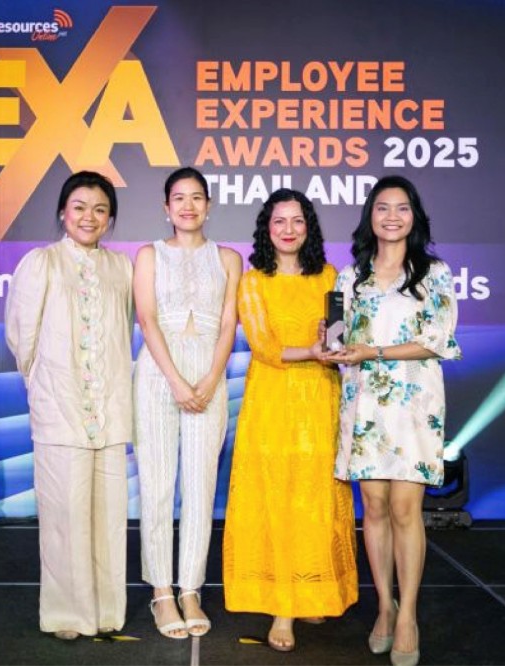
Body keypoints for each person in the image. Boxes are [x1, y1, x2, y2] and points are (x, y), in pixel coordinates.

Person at [329, 175, 460, 666]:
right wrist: (332, 343)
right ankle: (385, 606)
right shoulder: (351, 277)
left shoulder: (435, 273)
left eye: (401, 208)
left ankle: (409, 616)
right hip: (364, 404)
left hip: (413, 404)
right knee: (375, 507)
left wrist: (374, 352)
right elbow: (341, 339)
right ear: (370, 216)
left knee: (407, 509)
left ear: (414, 216)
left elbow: (438, 340)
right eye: (382, 207)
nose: (391, 216)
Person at [223, 189, 358, 652]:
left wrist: (332, 341)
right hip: (273, 402)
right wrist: (312, 351)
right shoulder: (253, 281)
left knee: (315, 497)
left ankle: (311, 590)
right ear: (267, 228)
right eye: (279, 221)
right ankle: (283, 608)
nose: (288, 229)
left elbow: (338, 336)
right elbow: (264, 346)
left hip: (321, 399)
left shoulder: (329, 275)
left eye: (297, 221)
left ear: (309, 227)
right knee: (279, 497)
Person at [4, 171, 133, 640]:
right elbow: (22, 337)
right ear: (63, 213)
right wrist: (45, 386)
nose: (89, 217)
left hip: (111, 409)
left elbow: (124, 330)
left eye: (100, 209)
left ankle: (106, 611)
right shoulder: (41, 263)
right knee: (65, 516)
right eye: (79, 207)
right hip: (59, 408)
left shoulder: (121, 268)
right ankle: (66, 615)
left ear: (110, 218)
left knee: (107, 516)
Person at [133, 167, 242, 639]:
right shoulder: (148, 255)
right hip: (159, 373)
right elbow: (146, 318)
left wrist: (211, 378)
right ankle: (162, 592)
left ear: (209, 205)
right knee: (157, 485)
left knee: (200, 487)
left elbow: (229, 323)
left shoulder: (229, 258)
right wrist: (176, 381)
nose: (188, 206)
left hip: (209, 374)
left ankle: (191, 589)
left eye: (197, 197)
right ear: (166, 207)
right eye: (179, 198)